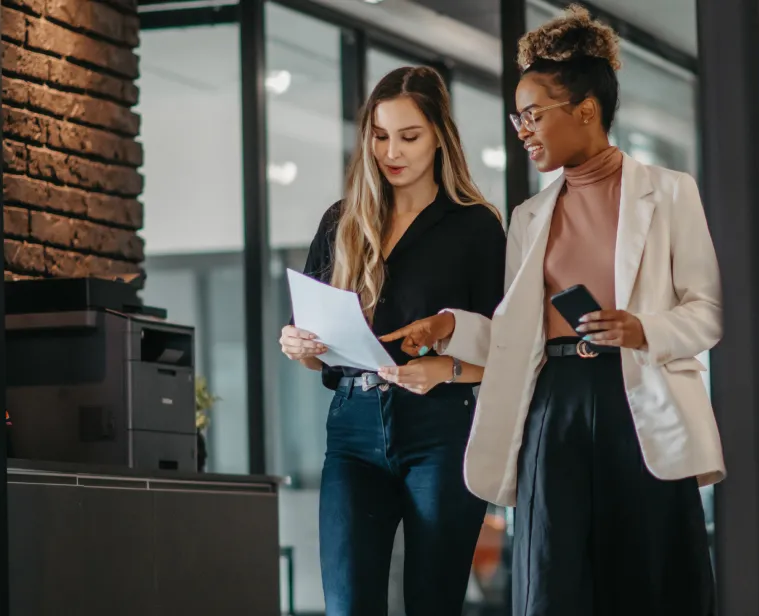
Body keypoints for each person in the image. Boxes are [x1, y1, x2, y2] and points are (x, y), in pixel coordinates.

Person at [381, 7, 723, 615]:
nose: (523, 129)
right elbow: (517, 340)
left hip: (637, 401)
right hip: (552, 408)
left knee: (649, 582)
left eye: (534, 114)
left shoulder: (670, 193)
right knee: (551, 585)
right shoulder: (528, 218)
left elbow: (708, 312)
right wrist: (450, 328)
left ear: (586, 110)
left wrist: (645, 328)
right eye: (518, 117)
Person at [277, 66, 506, 616]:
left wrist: (447, 370)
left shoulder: (475, 228)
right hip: (353, 430)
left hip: (442, 429)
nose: (392, 152)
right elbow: (322, 356)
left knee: (433, 602)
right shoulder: (342, 222)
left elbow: (511, 349)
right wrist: (301, 347)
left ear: (439, 137)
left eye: (409, 136)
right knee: (347, 605)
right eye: (380, 136)